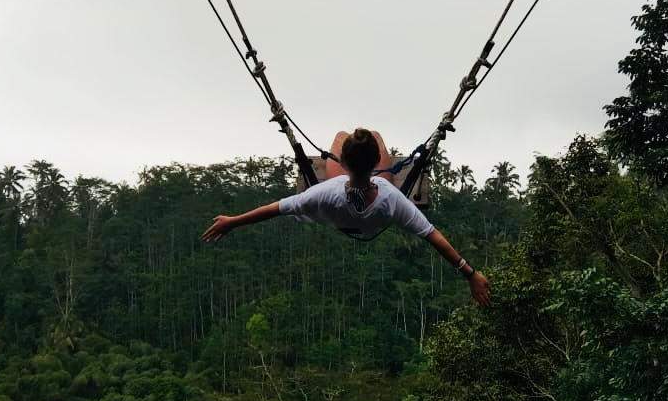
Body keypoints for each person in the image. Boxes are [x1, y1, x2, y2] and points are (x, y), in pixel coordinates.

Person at [201, 128, 490, 306]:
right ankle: (364, 146)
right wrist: (471, 273)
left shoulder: (325, 193)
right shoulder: (391, 197)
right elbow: (433, 236)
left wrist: (233, 221)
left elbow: (277, 208)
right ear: (376, 164)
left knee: (341, 135)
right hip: (371, 215)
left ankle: (354, 145)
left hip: (341, 216)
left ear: (344, 163)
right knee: (374, 135)